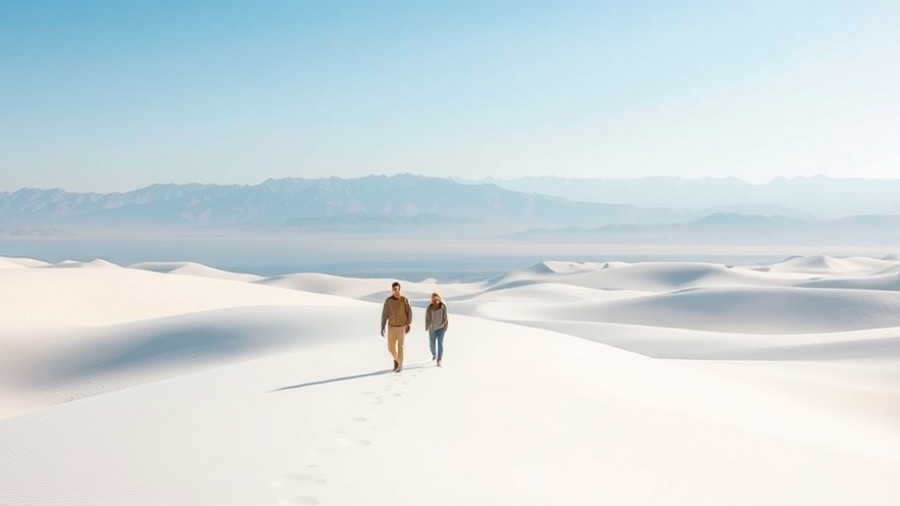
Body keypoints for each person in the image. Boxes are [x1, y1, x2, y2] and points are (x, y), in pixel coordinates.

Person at [381, 281, 412, 372]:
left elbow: (409, 312)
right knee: (390, 347)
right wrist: (382, 326)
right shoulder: (388, 301)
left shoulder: (404, 300)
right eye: (394, 289)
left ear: (399, 289)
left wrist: (408, 324)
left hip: (402, 327)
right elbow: (384, 314)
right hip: (391, 327)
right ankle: (397, 360)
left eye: (397, 289)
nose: (395, 291)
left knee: (400, 346)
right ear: (392, 290)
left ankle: (400, 365)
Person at [425, 292, 449, 367]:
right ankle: (434, 354)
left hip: (441, 328)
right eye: (433, 299)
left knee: (440, 343)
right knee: (432, 344)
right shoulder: (429, 307)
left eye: (436, 298)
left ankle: (439, 359)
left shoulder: (443, 306)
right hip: (432, 328)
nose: (435, 300)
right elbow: (427, 317)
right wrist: (427, 326)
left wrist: (446, 326)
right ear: (432, 299)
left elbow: (446, 316)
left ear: (439, 298)